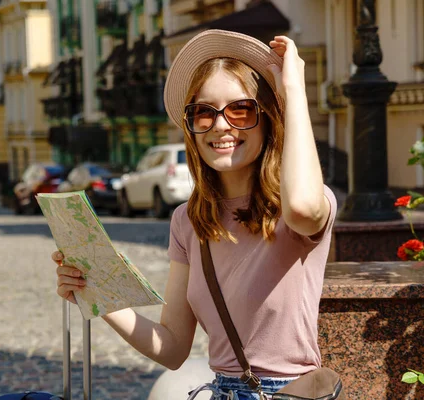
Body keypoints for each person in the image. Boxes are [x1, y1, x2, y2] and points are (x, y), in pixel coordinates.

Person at [52, 29, 337, 400]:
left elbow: (302, 208)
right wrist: (97, 293)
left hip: (290, 394)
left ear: (267, 118)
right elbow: (171, 348)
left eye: (240, 109)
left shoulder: (299, 207)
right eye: (204, 113)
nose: (221, 125)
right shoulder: (188, 221)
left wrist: (294, 94)